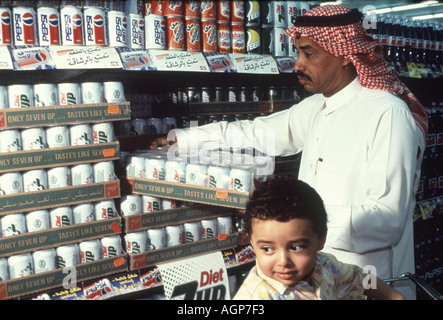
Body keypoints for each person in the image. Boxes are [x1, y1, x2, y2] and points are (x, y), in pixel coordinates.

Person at [151, 5, 427, 299]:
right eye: (298, 52)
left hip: (369, 281)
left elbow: (387, 222)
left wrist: (288, 220)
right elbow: (255, 132)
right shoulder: (316, 107)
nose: (298, 64)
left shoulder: (387, 113)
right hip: (313, 277)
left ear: (345, 54)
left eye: (308, 53)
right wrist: (186, 139)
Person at [232, 177, 405, 300]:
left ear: (321, 240)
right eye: (268, 249)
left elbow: (360, 278)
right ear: (252, 244)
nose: (283, 261)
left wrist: (394, 296)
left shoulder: (325, 266)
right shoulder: (256, 296)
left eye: (296, 247)